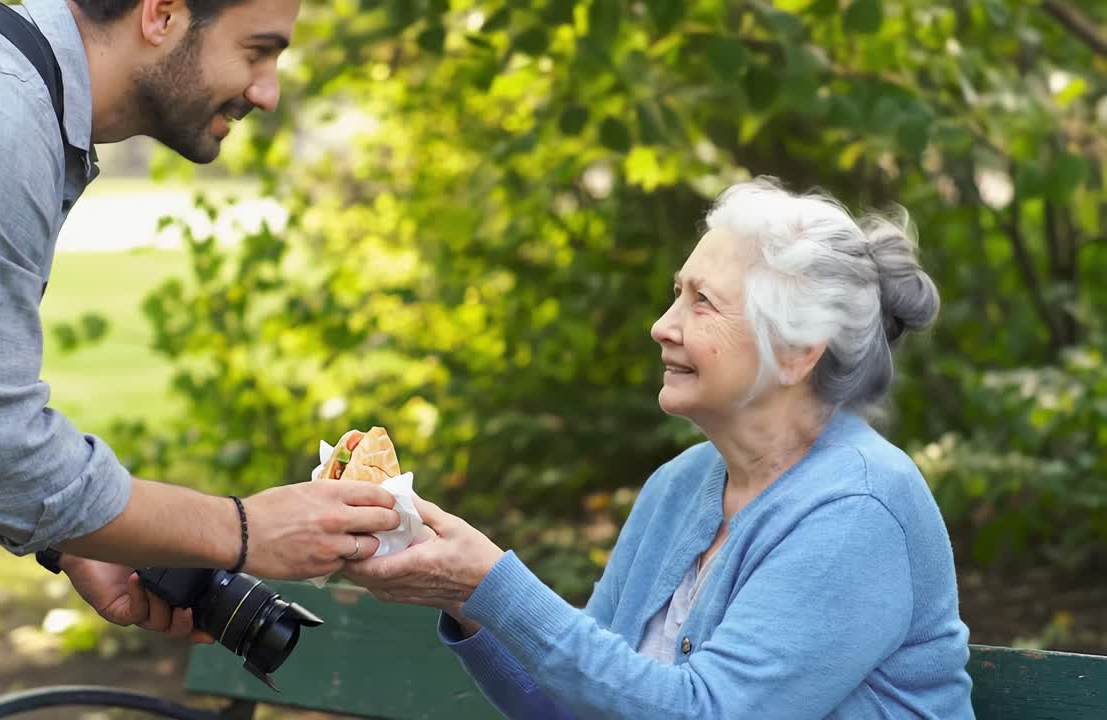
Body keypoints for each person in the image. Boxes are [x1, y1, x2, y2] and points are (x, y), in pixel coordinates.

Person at [0, 0, 402, 712]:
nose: (267, 91)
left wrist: (73, 540)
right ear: (160, 15)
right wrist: (244, 530)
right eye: (257, 50)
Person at [344, 177, 976, 718]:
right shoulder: (682, 485)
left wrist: (494, 581)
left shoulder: (859, 509)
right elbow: (576, 703)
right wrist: (463, 592)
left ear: (797, 353)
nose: (663, 326)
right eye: (679, 293)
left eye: (704, 303)